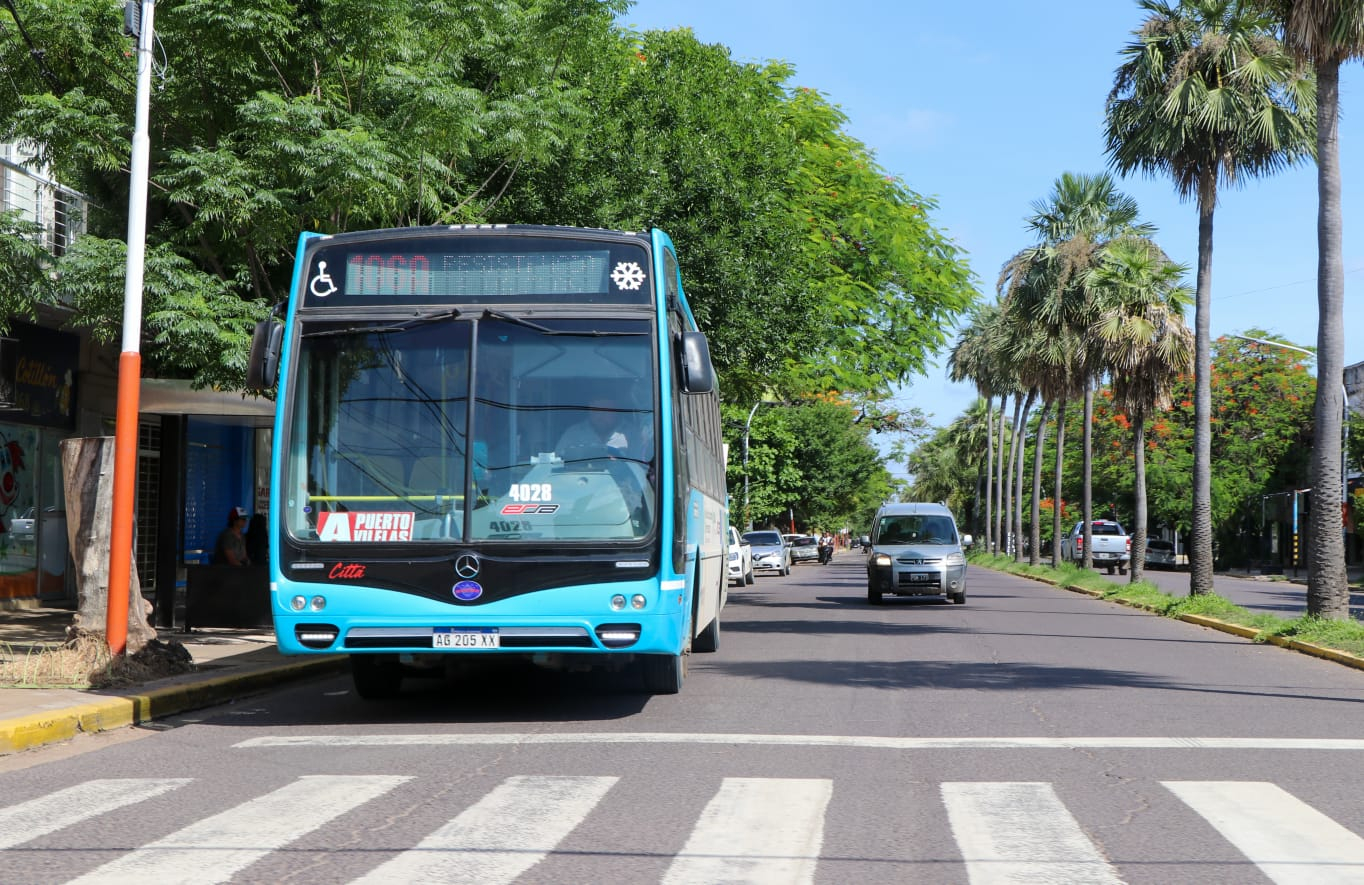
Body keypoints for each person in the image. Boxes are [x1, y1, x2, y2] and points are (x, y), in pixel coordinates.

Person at [556, 396, 631, 457]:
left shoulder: (632, 433)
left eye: (606, 411)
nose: (600, 416)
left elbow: (639, 466)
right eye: (596, 411)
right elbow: (558, 460)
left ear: (616, 412)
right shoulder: (573, 433)